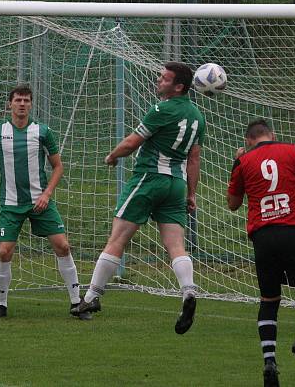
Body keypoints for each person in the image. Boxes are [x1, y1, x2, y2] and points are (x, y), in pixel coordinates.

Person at [73, 62, 204, 335]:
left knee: (117, 239)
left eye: (165, 79)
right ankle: (188, 291)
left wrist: (112, 156)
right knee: (176, 245)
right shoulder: (197, 116)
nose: (159, 81)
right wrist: (191, 193)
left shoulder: (163, 109)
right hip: (176, 184)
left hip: (149, 179)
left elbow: (133, 142)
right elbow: (194, 158)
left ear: (179, 86)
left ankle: (90, 298)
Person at [227, 119, 295, 386]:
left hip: (262, 236)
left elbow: (233, 204)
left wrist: (236, 163)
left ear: (248, 140)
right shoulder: (294, 150)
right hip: (293, 231)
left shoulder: (244, 161)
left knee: (269, 300)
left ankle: (269, 361)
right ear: (271, 135)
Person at [0, 85, 88, 320]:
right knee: (4, 252)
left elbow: (58, 166)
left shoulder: (43, 131)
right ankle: (1, 304)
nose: (22, 104)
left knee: (63, 246)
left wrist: (47, 194)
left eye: (26, 100)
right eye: (18, 100)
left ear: (31, 104)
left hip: (40, 202)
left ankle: (77, 303)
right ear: (10, 104)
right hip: (11, 203)